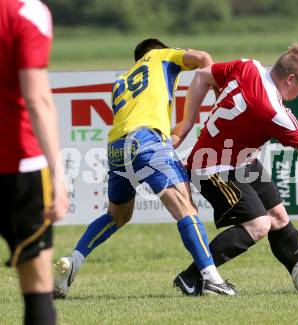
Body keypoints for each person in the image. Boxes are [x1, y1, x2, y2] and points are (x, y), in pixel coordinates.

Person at [171, 42, 298, 295]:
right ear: (291, 79)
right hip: (211, 167)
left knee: (278, 216)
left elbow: (203, 75)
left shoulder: (249, 67)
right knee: (258, 225)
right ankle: (192, 278)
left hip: (240, 160)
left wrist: (188, 121)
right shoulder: (272, 111)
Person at [54, 38, 236, 298]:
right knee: (185, 207)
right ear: (158, 49)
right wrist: (220, 98)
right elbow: (204, 59)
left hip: (117, 146)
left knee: (118, 215)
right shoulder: (161, 56)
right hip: (147, 140)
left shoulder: (120, 82)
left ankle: (74, 261)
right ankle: (211, 280)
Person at [0, 0, 69, 324]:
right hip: (20, 167)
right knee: (38, 291)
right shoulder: (27, 13)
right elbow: (37, 98)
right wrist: (57, 176)